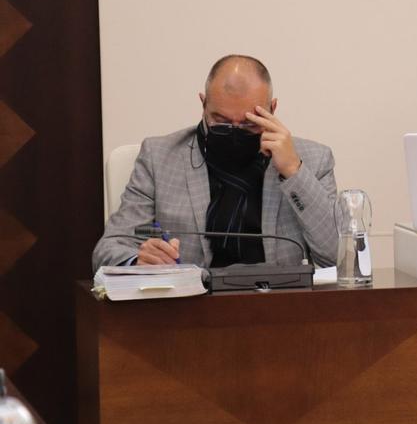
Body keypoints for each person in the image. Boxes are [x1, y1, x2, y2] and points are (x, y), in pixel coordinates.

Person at [92, 55, 337, 270]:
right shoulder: (159, 157)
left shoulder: (313, 160)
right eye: (220, 121)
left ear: (272, 109)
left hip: (278, 309)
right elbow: (108, 250)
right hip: (190, 311)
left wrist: (293, 172)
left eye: (250, 123)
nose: (234, 131)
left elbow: (336, 256)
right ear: (203, 104)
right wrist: (139, 260)